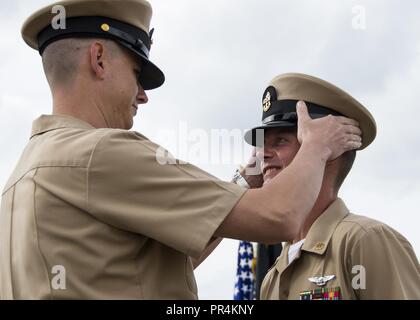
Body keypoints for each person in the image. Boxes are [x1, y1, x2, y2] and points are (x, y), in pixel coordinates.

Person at [0, 0, 362, 299]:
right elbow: (279, 217)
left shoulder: (18, 184)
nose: (142, 94)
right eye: (137, 72)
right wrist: (316, 145)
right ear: (98, 59)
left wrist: (242, 182)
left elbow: (155, 266)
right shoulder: (101, 153)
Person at [242, 73, 420, 300]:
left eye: (281, 141)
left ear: (329, 153)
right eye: (262, 144)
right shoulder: (274, 274)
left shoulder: (364, 241)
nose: (262, 155)